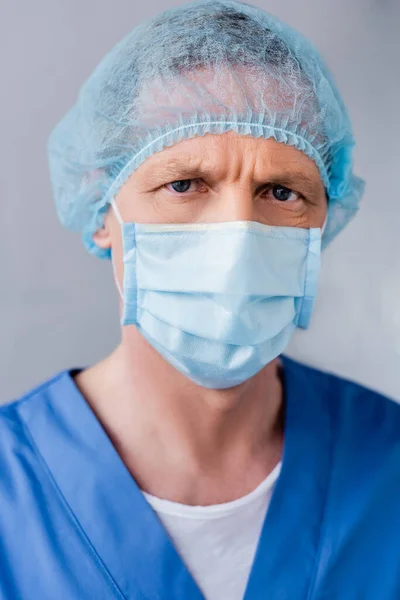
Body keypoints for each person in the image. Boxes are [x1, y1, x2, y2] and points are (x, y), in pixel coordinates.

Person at [0, 1, 399, 598]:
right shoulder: (13, 492)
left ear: (325, 216)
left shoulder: (388, 467)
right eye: (184, 184)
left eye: (282, 191)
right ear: (101, 208)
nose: (237, 238)